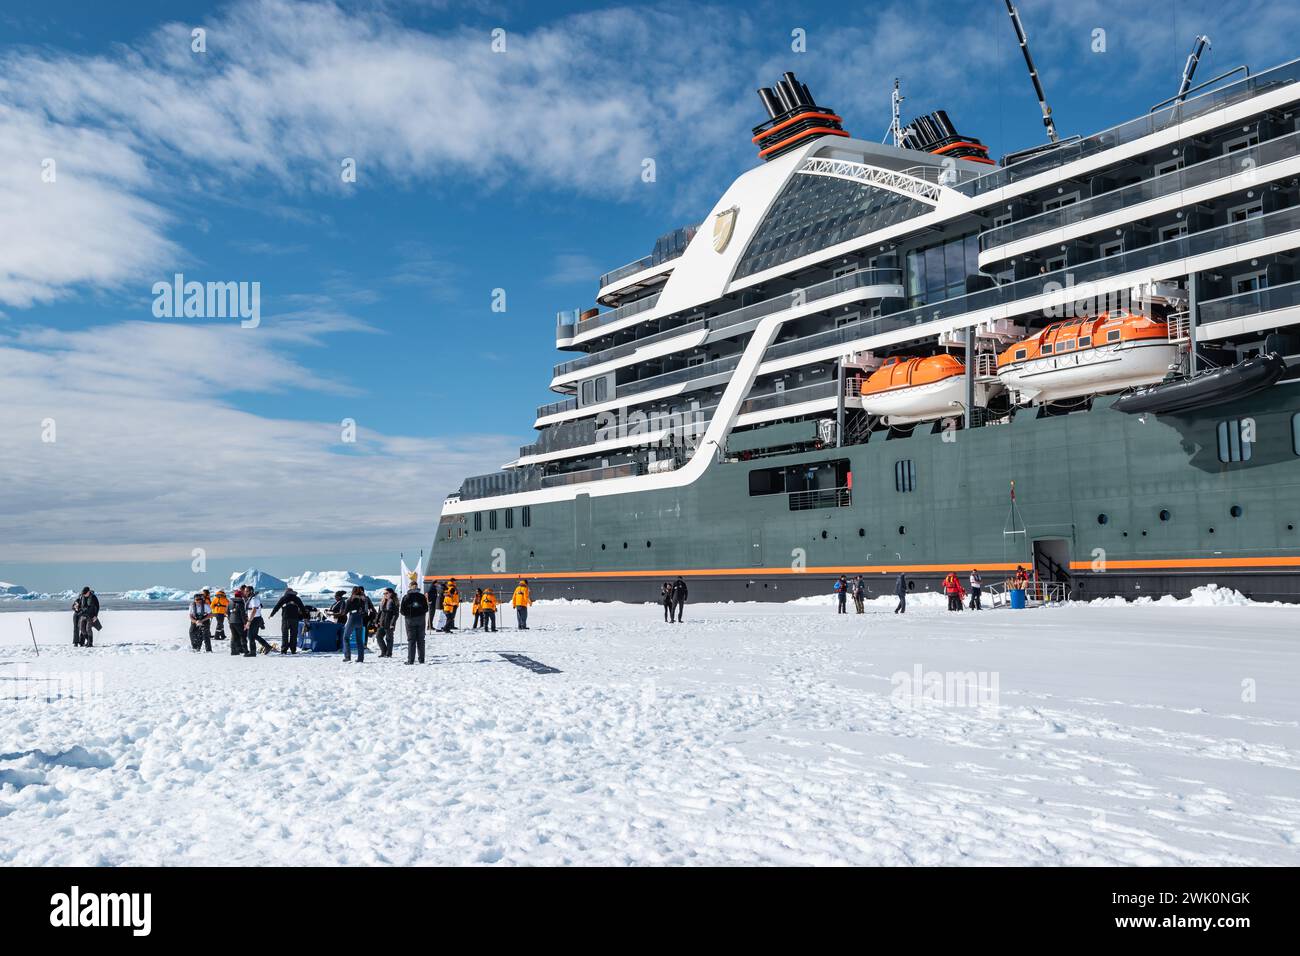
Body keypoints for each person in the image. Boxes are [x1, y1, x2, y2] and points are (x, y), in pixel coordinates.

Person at [270, 587, 307, 654]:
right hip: (295, 618)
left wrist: (272, 614)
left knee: (285, 634)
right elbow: (302, 608)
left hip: (286, 618)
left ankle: (284, 650)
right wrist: (305, 617)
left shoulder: (284, 598)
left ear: (286, 592)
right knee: (294, 634)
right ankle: (293, 650)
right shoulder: (297, 598)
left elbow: (277, 606)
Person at [399, 583, 429, 664]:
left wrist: (409, 614)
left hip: (410, 620)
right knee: (421, 640)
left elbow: (402, 610)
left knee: (411, 640)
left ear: (409, 587)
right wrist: (420, 612)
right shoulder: (421, 596)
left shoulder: (406, 597)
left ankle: (411, 660)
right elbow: (426, 608)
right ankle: (421, 660)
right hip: (421, 620)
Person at [341, 585, 369, 662]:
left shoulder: (350, 600)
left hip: (352, 618)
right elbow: (365, 610)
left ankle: (347, 657)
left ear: (352, 592)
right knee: (359, 640)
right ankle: (360, 658)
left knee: (346, 637)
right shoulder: (363, 600)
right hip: (360, 619)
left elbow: (345, 612)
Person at [244, 588, 272, 656]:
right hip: (254, 619)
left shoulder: (254, 599)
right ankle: (267, 646)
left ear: (251, 591)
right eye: (245, 591)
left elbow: (254, 610)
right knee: (253, 635)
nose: (245, 593)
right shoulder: (251, 599)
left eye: (247, 591)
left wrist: (249, 621)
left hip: (255, 619)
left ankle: (253, 652)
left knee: (250, 636)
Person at [375, 588, 399, 657]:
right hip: (381, 622)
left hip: (389, 623)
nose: (385, 595)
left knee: (389, 639)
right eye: (384, 593)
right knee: (378, 637)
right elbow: (379, 612)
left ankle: (388, 653)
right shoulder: (383, 602)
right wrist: (376, 621)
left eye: (386, 593)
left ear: (391, 593)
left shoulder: (394, 602)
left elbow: (396, 614)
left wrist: (392, 623)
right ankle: (384, 651)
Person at [227, 585, 248, 656]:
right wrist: (245, 623)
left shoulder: (230, 602)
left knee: (234, 636)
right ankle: (245, 650)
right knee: (242, 636)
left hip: (231, 622)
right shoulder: (240, 603)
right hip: (239, 622)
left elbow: (227, 612)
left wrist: (229, 619)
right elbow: (242, 614)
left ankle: (234, 651)